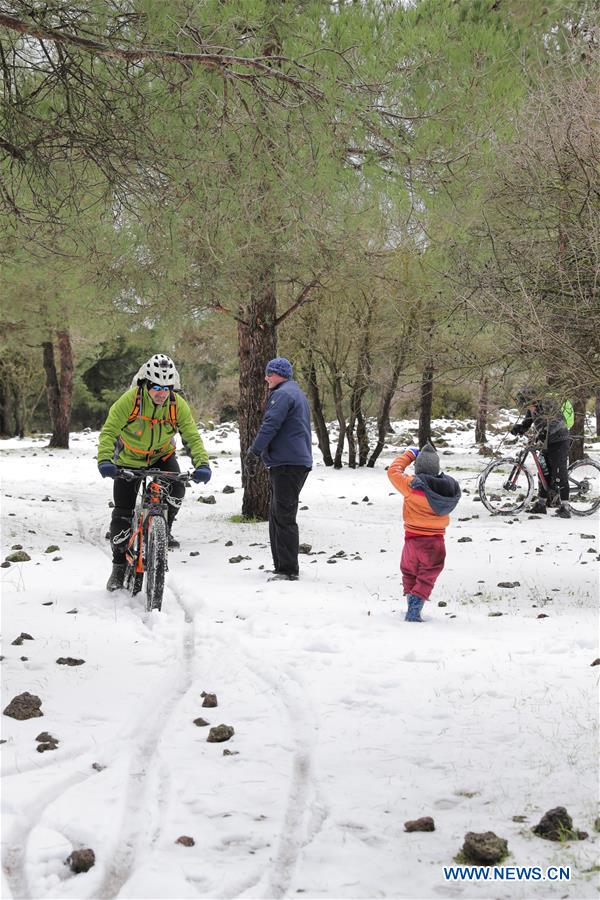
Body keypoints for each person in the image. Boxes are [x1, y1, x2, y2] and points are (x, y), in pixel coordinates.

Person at [97, 353, 212, 591]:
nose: (161, 392)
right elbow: (109, 432)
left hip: (162, 456)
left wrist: (202, 464)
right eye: (157, 387)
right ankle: (118, 567)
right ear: (146, 385)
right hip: (129, 459)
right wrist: (106, 461)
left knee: (178, 489)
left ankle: (162, 530)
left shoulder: (176, 405)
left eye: (167, 387)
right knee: (121, 520)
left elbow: (191, 435)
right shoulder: (130, 401)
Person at [245, 357, 312, 582]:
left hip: (288, 463)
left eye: (270, 374)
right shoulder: (295, 392)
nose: (266, 378)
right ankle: (280, 566)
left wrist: (254, 452)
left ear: (280, 374)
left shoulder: (283, 394)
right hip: (290, 461)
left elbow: (270, 425)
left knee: (283, 516)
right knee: (276, 515)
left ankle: (288, 570)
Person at [387, 443, 461, 622]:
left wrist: (410, 454)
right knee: (427, 576)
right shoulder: (447, 490)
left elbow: (393, 471)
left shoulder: (411, 486)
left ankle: (411, 605)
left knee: (409, 572)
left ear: (418, 468)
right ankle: (415, 608)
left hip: (411, 541)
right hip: (435, 543)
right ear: (437, 469)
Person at [510, 388, 571, 518]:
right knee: (543, 471)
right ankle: (541, 505)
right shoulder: (532, 409)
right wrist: (519, 428)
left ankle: (565, 507)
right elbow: (527, 423)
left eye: (528, 405)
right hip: (546, 442)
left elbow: (557, 422)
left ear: (533, 400)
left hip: (559, 440)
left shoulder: (548, 404)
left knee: (560, 472)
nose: (529, 409)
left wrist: (544, 431)